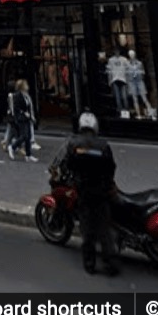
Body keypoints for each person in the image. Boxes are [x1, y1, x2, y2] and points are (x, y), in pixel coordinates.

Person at [58, 111, 119, 275]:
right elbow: (111, 167)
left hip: (83, 190)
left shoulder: (74, 144)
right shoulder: (103, 145)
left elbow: (68, 164)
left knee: (87, 230)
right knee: (104, 229)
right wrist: (107, 183)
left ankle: (89, 263)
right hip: (101, 190)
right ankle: (109, 263)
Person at [7, 79, 38, 162]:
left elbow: (29, 106)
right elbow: (16, 107)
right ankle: (12, 146)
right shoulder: (17, 95)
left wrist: (31, 116)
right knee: (24, 135)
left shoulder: (26, 95)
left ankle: (28, 155)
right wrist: (24, 113)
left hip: (27, 118)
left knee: (28, 137)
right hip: (21, 118)